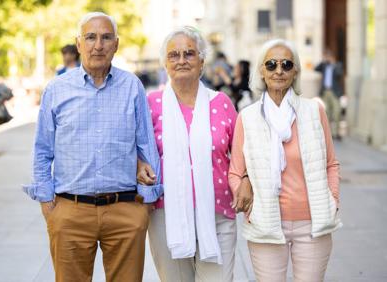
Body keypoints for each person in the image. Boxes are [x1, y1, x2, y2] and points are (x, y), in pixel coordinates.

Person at [23, 12, 162, 282]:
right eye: (91, 37)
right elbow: (42, 150)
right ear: (78, 44)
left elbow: (147, 146)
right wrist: (48, 206)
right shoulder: (57, 89)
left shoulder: (132, 86)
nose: (98, 45)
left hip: (125, 210)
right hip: (70, 211)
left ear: (116, 44)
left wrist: (143, 206)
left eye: (106, 37)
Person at [228, 39, 342, 282]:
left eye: (286, 64)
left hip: (313, 224)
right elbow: (235, 172)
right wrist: (251, 208)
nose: (278, 70)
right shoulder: (247, 117)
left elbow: (331, 163)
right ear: (261, 71)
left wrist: (333, 200)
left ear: (295, 71)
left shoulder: (314, 111)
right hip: (266, 224)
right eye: (271, 64)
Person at [137, 26, 238, 281]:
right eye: (174, 55)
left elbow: (240, 155)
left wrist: (245, 182)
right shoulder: (151, 104)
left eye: (189, 53)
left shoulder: (222, 104)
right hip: (166, 216)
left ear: (202, 60)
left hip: (217, 214)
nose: (181, 60)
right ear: (165, 63)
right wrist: (139, 164)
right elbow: (134, 149)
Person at [314, 49, 344, 140]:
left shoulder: (338, 65)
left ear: (333, 57)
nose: (328, 58)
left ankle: (336, 132)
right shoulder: (324, 65)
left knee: (337, 112)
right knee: (327, 113)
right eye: (326, 56)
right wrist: (323, 60)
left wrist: (333, 63)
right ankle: (328, 133)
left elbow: (339, 74)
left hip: (334, 92)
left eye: (329, 56)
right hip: (325, 92)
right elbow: (315, 68)